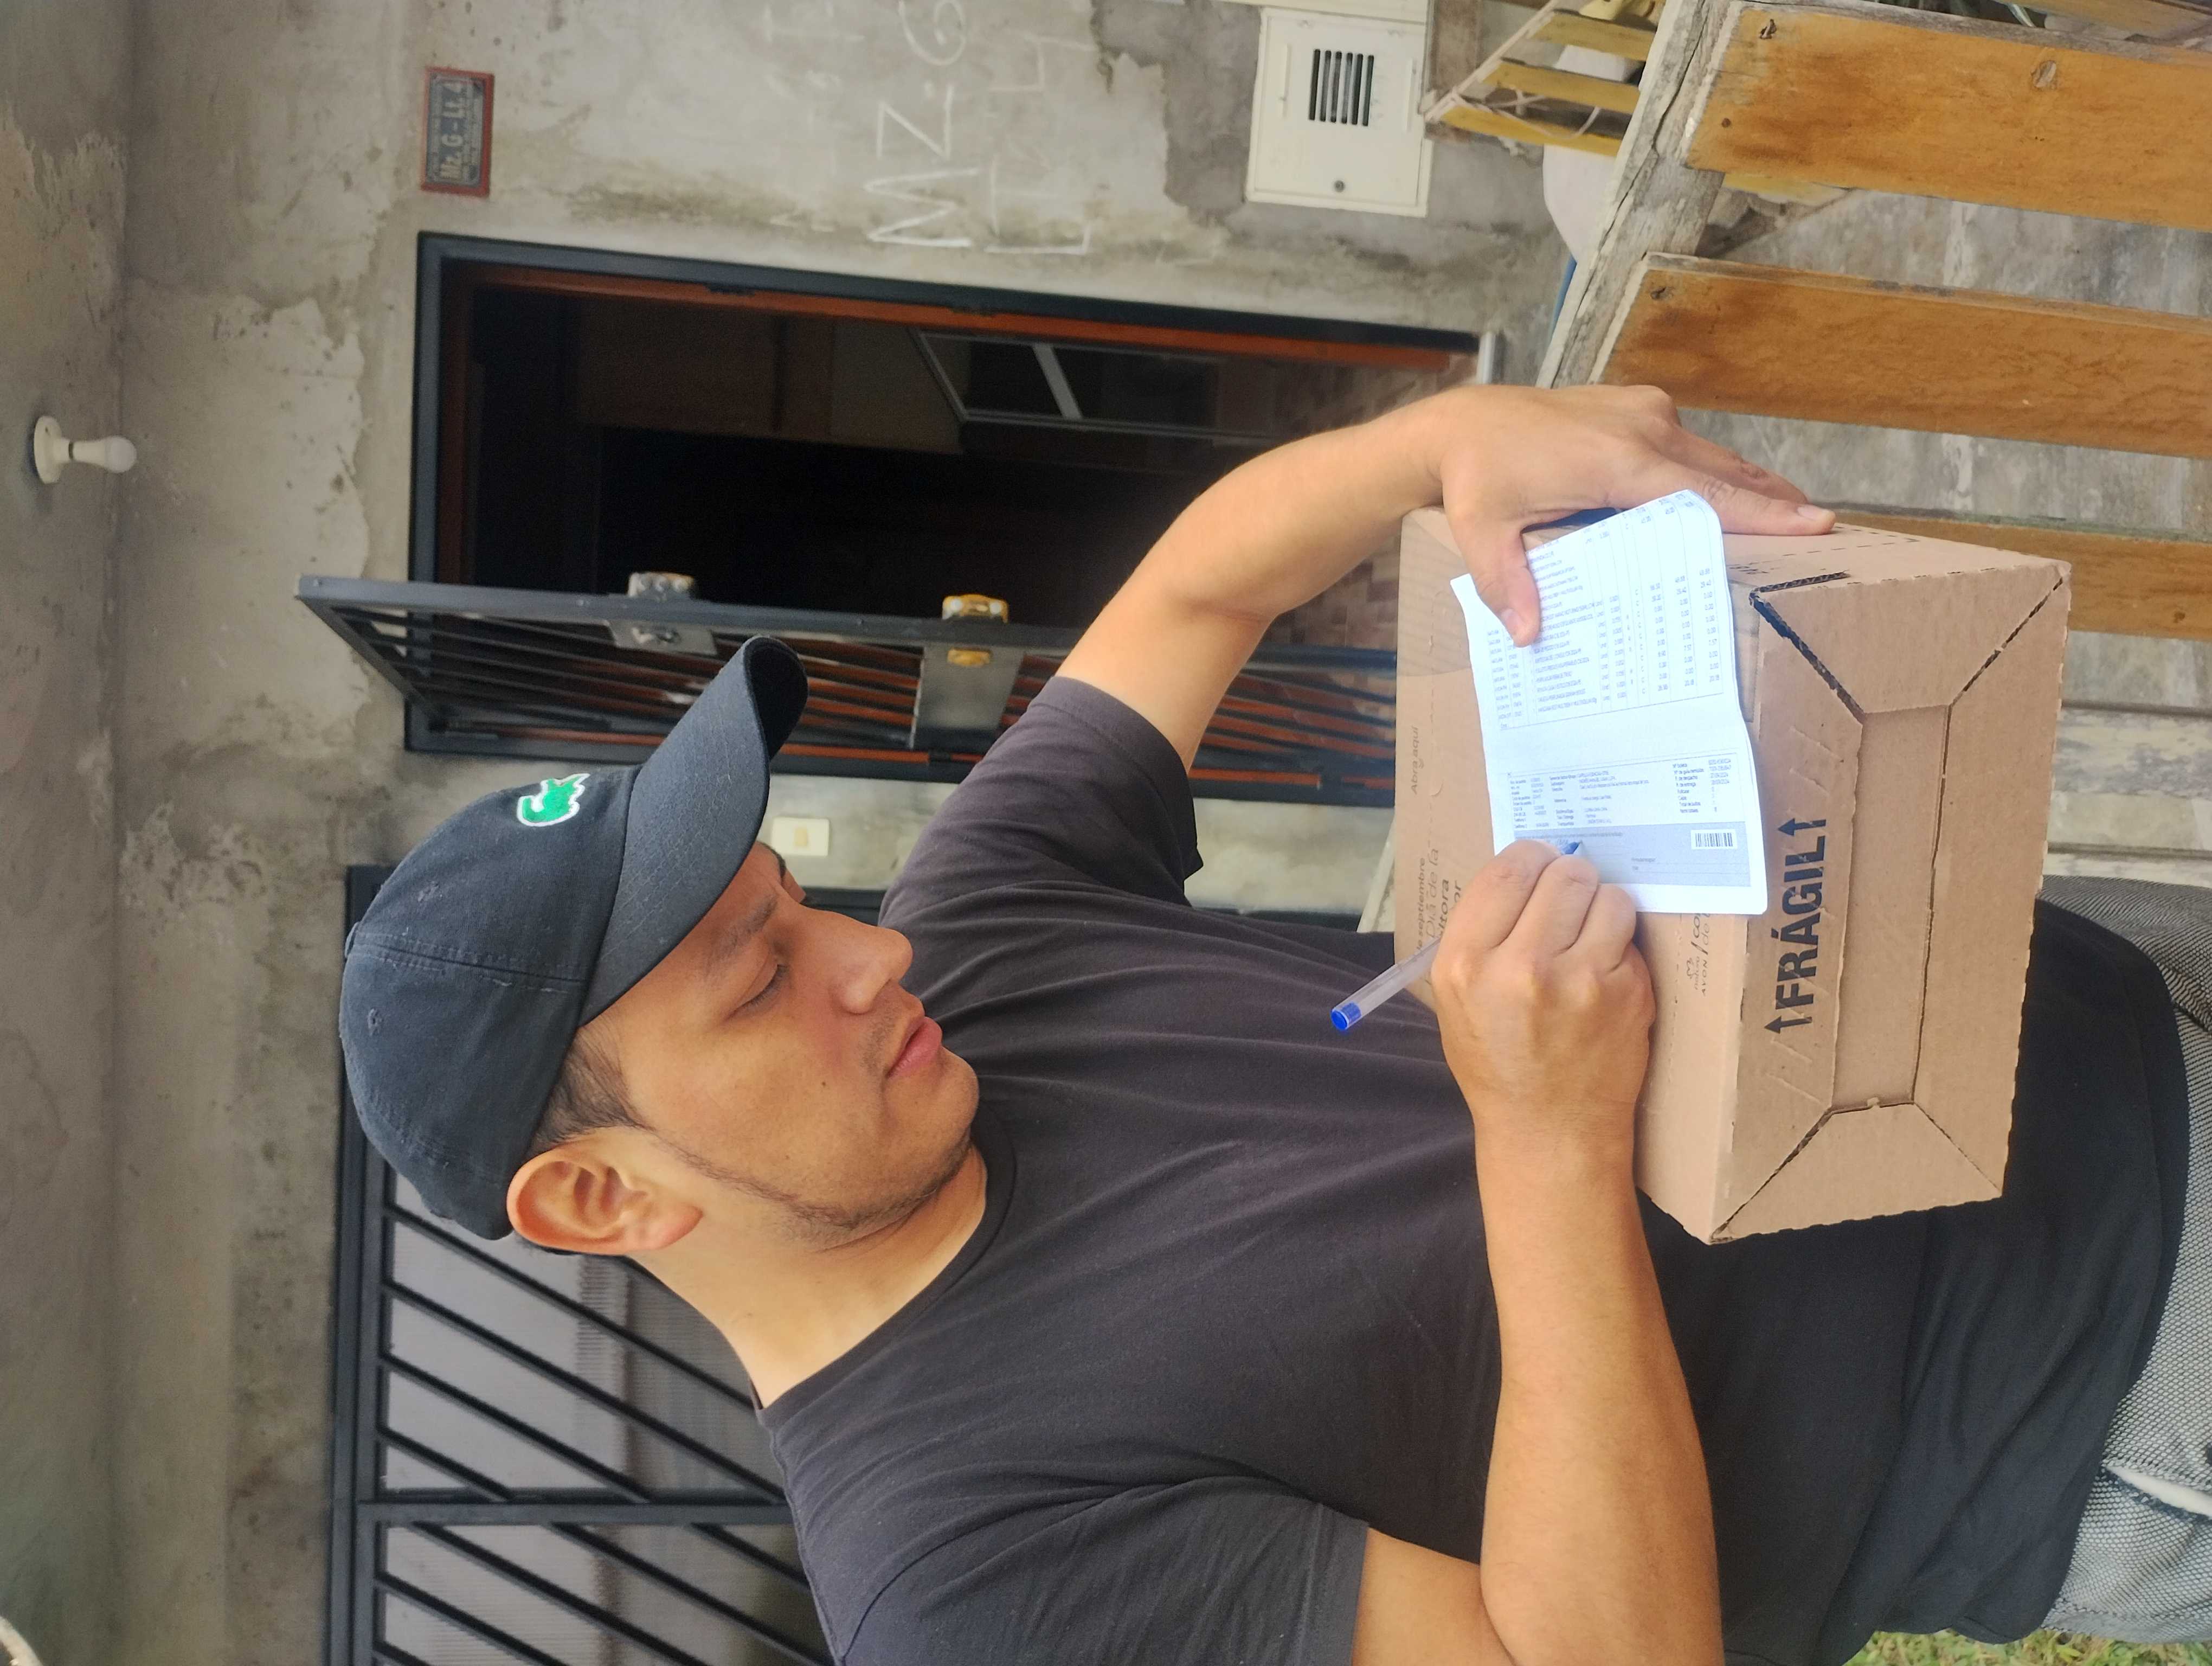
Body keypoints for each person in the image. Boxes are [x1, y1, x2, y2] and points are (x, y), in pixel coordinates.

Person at [339, 383, 2210, 1665]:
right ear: (602, 1197)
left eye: (796, 903)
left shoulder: (975, 937)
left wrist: (1438, 442)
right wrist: (1546, 1138)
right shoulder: (968, 1574)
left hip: (2068, 1001)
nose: (868, 962)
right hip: (2112, 1377)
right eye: (762, 984)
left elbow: (1197, 582)